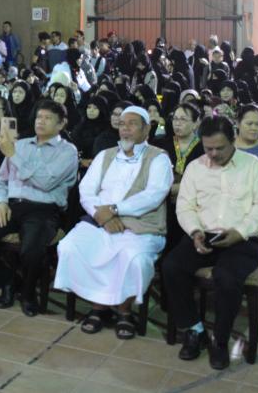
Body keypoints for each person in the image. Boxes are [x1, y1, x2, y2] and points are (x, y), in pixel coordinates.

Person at [162, 115, 258, 370]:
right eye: (208, 148)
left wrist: (240, 232)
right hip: (205, 235)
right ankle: (195, 330)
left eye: (219, 148)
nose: (212, 154)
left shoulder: (252, 165)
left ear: (233, 140)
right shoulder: (196, 167)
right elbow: (185, 206)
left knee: (226, 276)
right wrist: (195, 232)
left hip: (245, 238)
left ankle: (220, 340)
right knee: (172, 267)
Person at [55, 106, 173, 339]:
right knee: (69, 246)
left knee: (133, 258)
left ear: (147, 129)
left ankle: (124, 311)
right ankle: (99, 306)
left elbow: (153, 195)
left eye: (132, 124)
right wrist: (100, 214)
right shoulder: (105, 155)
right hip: (101, 220)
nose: (125, 130)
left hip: (141, 224)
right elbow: (87, 190)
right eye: (121, 124)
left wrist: (114, 210)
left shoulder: (159, 158)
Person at [0, 99, 78, 317]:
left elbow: (45, 182)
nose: (40, 122)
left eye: (48, 118)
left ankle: (29, 293)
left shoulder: (67, 151)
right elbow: (1, 181)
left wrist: (12, 154)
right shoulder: (21, 145)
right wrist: (1, 202)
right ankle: (9, 282)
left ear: (61, 124)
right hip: (12, 205)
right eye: (39, 117)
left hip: (44, 209)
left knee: (31, 251)